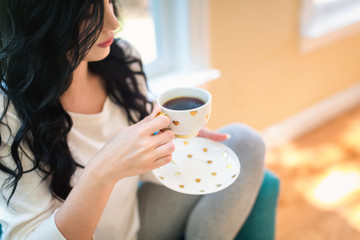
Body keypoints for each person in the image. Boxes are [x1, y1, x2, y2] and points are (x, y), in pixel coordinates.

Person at [0, 0, 266, 239]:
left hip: (135, 227)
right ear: (39, 20)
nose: (114, 22)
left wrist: (177, 138)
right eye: (87, 13)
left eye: (108, 2)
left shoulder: (121, 58)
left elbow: (142, 156)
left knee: (246, 142)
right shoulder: (9, 111)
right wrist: (102, 172)